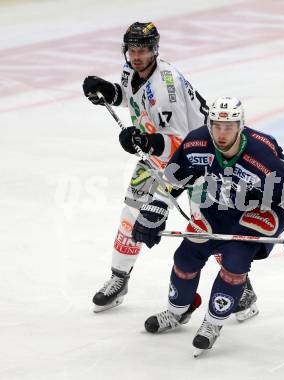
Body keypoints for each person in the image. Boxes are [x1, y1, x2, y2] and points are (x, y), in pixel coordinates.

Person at [82, 22, 259, 319]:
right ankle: (119, 278)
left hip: (200, 160)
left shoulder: (167, 86)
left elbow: (181, 142)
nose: (137, 56)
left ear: (155, 50)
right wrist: (109, 92)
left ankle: (244, 290)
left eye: (144, 50)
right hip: (157, 160)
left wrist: (145, 141)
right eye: (132, 50)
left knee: (206, 228)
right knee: (130, 216)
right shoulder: (132, 72)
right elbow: (133, 99)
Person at [131, 97, 284, 355]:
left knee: (235, 261)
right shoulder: (197, 142)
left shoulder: (260, 153)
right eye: (216, 126)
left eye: (228, 127)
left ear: (240, 126)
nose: (221, 133)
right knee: (185, 256)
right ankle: (177, 312)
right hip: (220, 203)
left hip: (261, 210)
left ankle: (213, 323)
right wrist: (156, 208)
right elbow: (173, 177)